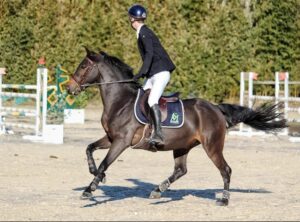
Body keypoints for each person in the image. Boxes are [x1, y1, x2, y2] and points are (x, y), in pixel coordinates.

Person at [128, 4, 176, 146]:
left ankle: (159, 134)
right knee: (140, 95)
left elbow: (149, 54)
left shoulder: (144, 32)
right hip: (154, 74)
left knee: (151, 100)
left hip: (160, 73)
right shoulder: (143, 32)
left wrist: (141, 72)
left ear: (131, 19)